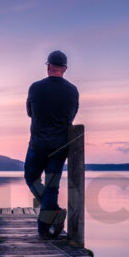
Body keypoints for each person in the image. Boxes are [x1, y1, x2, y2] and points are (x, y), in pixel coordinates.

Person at [25, 50, 79, 239]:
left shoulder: (35, 87)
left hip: (38, 145)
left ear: (48, 66)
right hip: (60, 147)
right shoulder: (72, 90)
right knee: (52, 186)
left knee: (31, 178)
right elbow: (71, 116)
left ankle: (48, 220)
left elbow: (30, 113)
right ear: (64, 68)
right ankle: (50, 217)